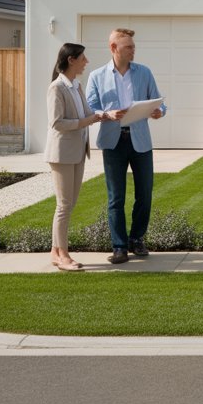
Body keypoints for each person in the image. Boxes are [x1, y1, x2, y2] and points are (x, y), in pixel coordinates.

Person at [85, 28, 166, 264]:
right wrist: (107, 114)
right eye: (128, 46)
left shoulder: (144, 72)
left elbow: (160, 102)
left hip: (140, 140)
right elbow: (90, 109)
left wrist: (159, 111)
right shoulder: (97, 76)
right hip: (113, 142)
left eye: (133, 46)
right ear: (114, 48)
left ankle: (137, 239)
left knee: (145, 194)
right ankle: (119, 247)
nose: (133, 50)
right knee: (115, 198)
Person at [44, 43, 123, 271]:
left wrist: (106, 115)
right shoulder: (57, 88)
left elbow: (88, 114)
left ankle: (55, 250)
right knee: (64, 205)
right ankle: (64, 256)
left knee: (69, 204)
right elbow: (57, 123)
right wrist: (89, 121)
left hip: (78, 151)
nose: (86, 62)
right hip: (61, 153)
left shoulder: (76, 86)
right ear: (71, 60)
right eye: (83, 58)